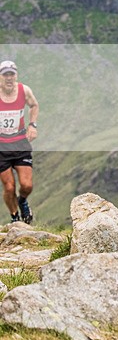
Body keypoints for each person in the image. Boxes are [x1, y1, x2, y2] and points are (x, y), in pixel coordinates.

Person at [0, 60, 39, 224]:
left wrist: (32, 125)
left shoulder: (24, 90)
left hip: (20, 143)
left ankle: (22, 200)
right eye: (5, 75)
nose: (9, 78)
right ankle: (15, 218)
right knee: (9, 187)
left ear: (16, 76)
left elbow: (34, 105)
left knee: (26, 185)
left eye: (12, 74)